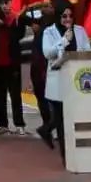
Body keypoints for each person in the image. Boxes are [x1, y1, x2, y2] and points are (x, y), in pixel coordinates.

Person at [41, 0, 91, 163]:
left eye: (70, 16)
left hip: (76, 81)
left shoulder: (80, 30)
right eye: (64, 16)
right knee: (61, 121)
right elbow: (48, 53)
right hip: (58, 82)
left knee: (70, 118)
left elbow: (87, 50)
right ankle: (65, 156)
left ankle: (46, 130)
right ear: (57, 17)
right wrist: (63, 41)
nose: (68, 19)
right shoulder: (49, 32)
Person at [0, 1, 26, 135]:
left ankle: (19, 123)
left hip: (13, 62)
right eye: (3, 4)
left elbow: (18, 35)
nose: (5, 6)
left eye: (8, 3)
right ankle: (2, 124)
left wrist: (4, 25)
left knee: (15, 94)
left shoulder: (17, 19)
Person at [28, 10, 52, 146]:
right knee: (41, 97)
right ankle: (46, 124)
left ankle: (50, 126)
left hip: (48, 66)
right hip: (37, 67)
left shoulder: (52, 24)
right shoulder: (40, 20)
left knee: (52, 99)